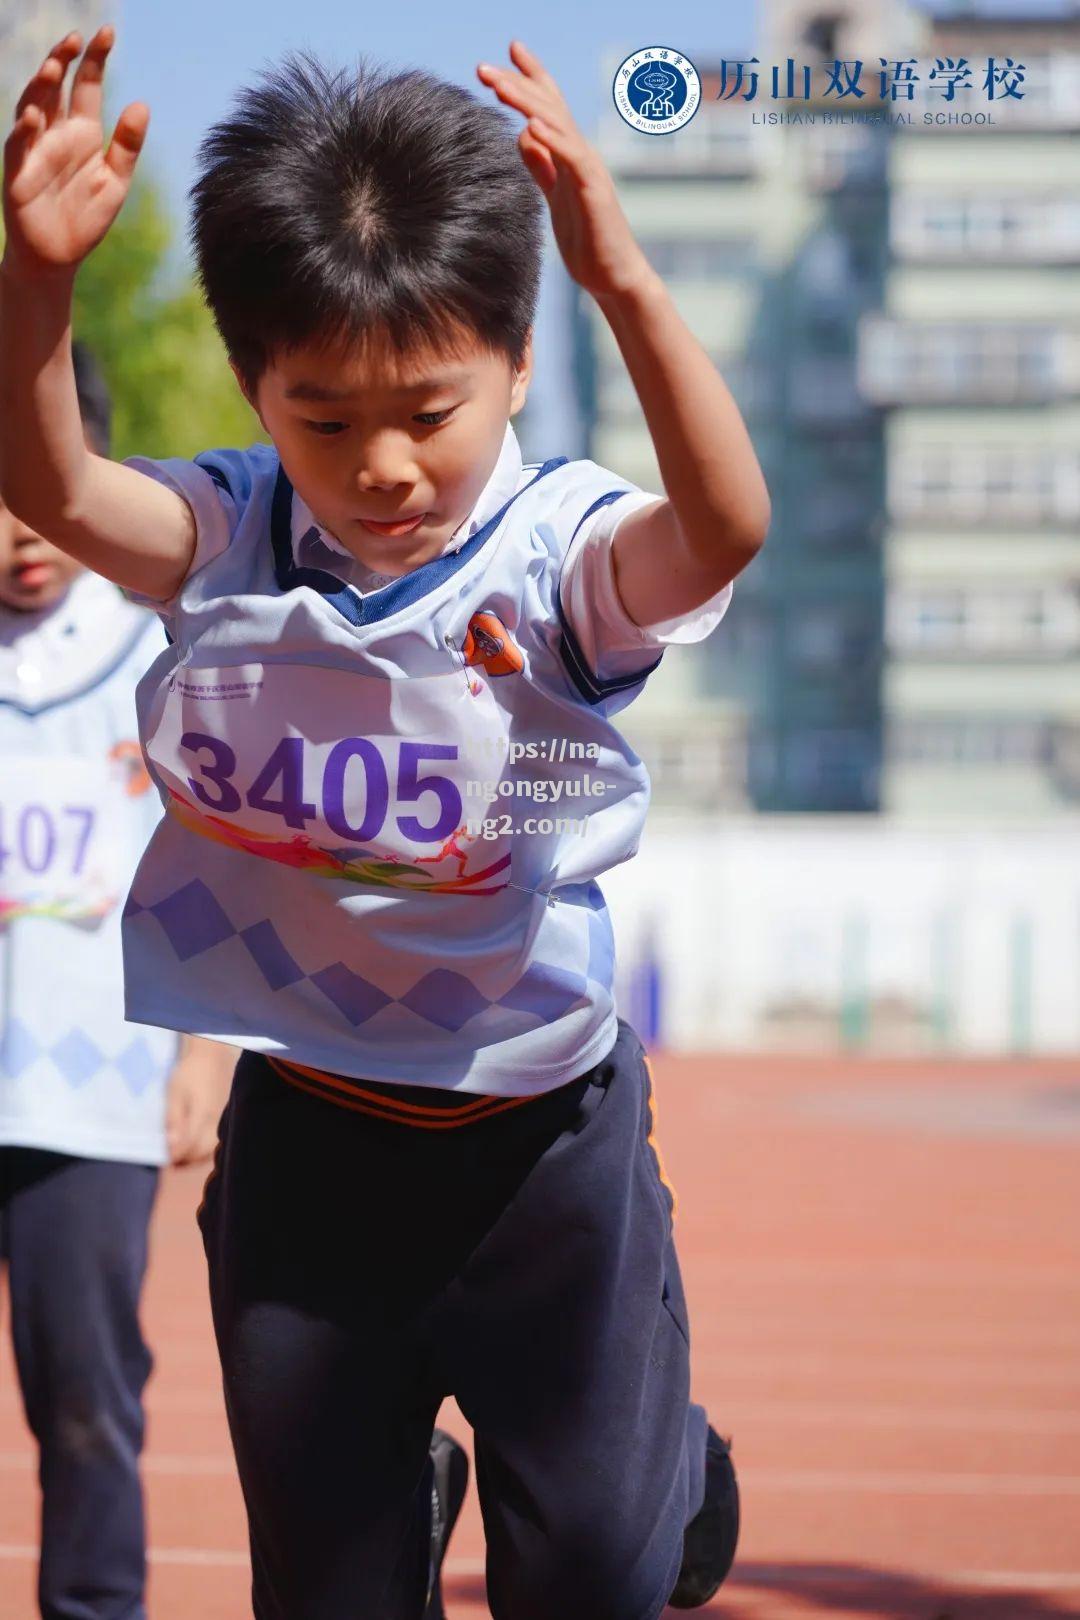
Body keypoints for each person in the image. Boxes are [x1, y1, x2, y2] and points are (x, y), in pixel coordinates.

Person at [0, 25, 771, 1620]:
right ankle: (403, 1471)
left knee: (600, 1585)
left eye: (429, 407)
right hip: (314, 1151)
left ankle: (664, 1467)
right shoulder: (233, 528)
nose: (386, 468)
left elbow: (720, 531)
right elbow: (65, 494)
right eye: (326, 417)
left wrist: (620, 271)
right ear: (255, 388)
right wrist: (35, 285)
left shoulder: (554, 549)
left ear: (508, 358)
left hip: (541, 1153)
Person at [0, 339, 235, 1620]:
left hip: (83, 1106)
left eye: (36, 485)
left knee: (84, 1397)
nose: (20, 529)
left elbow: (227, 858)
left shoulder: (158, 653)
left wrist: (207, 1051)